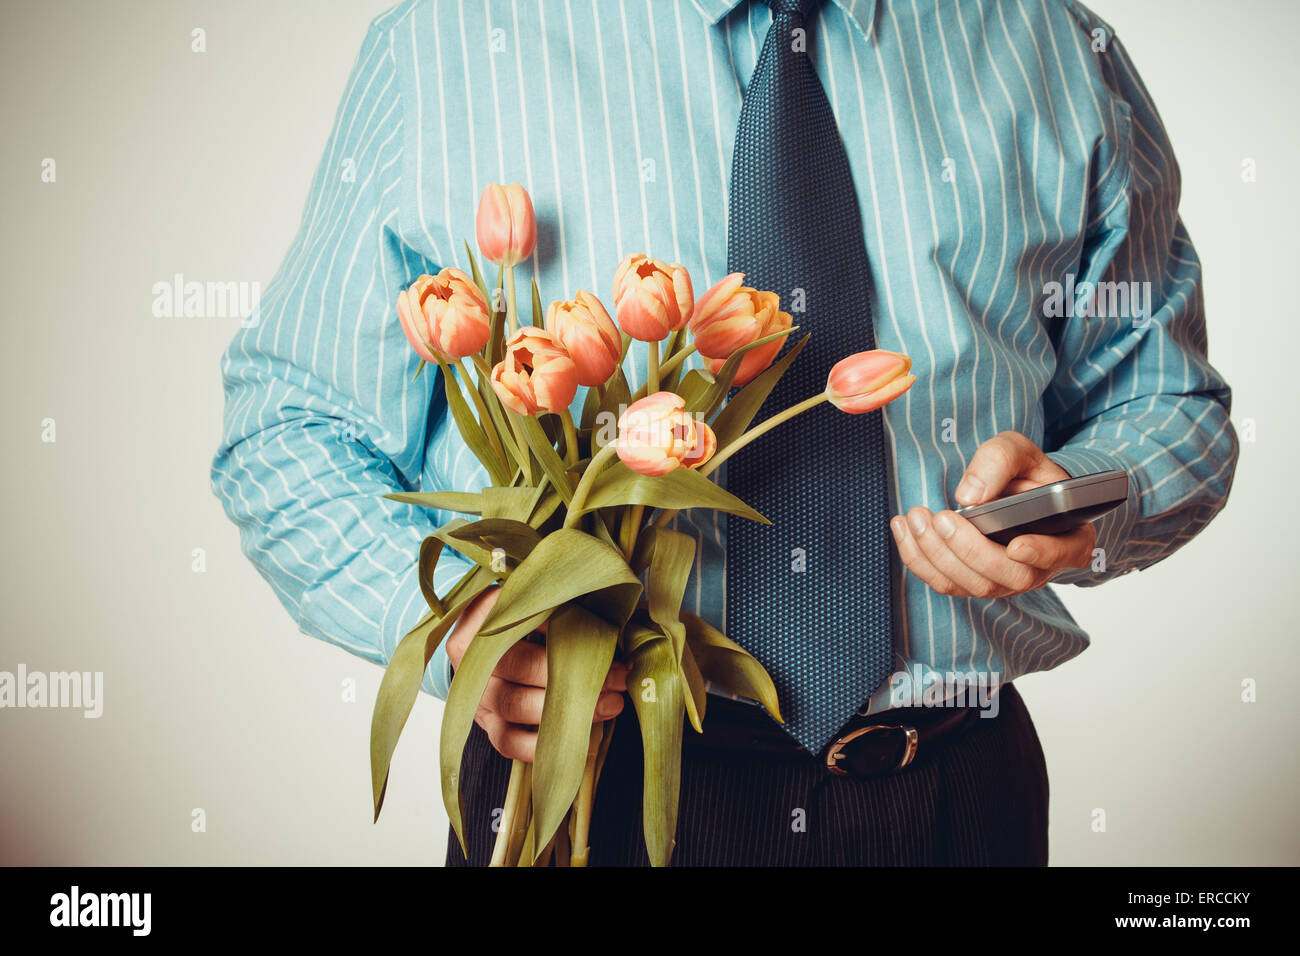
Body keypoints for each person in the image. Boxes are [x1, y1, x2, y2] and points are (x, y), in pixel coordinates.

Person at [211, 0, 1237, 866]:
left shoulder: (1050, 44)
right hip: (585, 788)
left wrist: (1081, 494)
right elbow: (291, 424)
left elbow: (1169, 406)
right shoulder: (451, 43)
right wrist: (460, 627)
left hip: (954, 798)